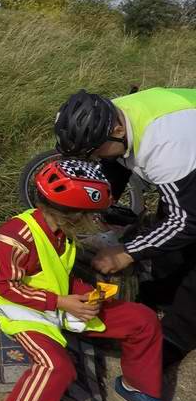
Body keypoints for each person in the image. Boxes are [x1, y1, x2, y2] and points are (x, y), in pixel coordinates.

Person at [0, 159, 182, 401]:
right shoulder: (16, 236)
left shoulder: (61, 232)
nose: (93, 221)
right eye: (89, 215)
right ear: (71, 214)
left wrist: (87, 294)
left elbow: (58, 272)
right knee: (55, 367)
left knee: (142, 319)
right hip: (25, 313)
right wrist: (60, 301)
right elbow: (6, 287)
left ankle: (136, 389)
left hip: (63, 304)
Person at [54, 88, 196, 366]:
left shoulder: (165, 147)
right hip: (186, 148)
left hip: (184, 144)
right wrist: (95, 205)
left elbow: (186, 221)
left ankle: (174, 340)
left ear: (117, 129)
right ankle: (160, 294)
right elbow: (114, 162)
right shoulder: (110, 115)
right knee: (166, 226)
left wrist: (125, 253)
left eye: (94, 150)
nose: (93, 155)